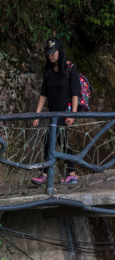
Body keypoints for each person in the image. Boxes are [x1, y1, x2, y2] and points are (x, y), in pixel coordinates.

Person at [31, 36, 81, 186]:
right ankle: (70, 174)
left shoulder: (70, 69)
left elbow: (75, 93)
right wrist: (37, 114)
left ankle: (47, 174)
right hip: (52, 113)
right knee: (62, 142)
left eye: (53, 52)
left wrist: (72, 114)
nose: (50, 55)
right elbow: (43, 93)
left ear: (60, 51)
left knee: (50, 141)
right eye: (48, 53)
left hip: (63, 112)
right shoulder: (49, 70)